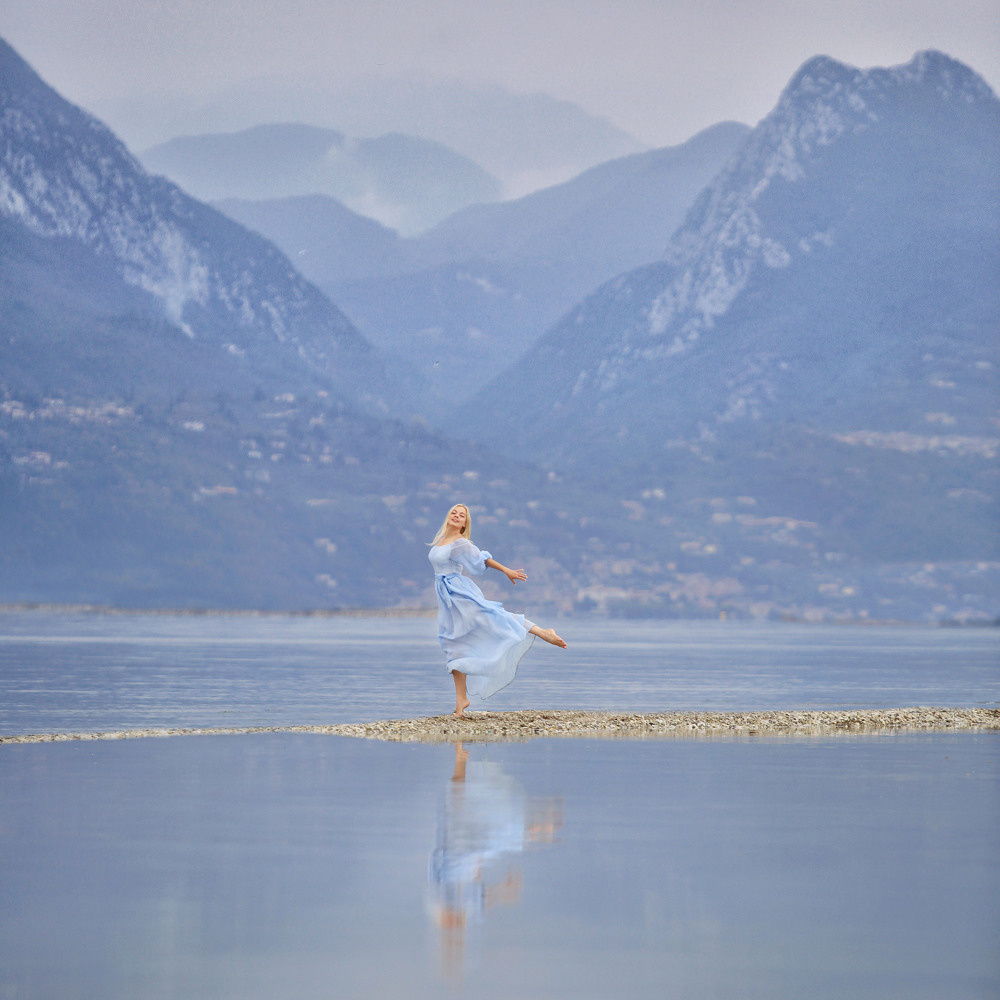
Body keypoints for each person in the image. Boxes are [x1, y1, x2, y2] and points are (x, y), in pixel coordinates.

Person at [429, 504, 566, 716]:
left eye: (462, 515)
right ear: (448, 517)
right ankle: (461, 703)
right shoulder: (441, 542)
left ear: (465, 524)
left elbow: (481, 559)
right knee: (453, 645)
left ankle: (543, 632)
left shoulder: (460, 543)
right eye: (454, 513)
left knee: (493, 617)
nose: (456, 516)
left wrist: (506, 570)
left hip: (459, 593)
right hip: (447, 598)